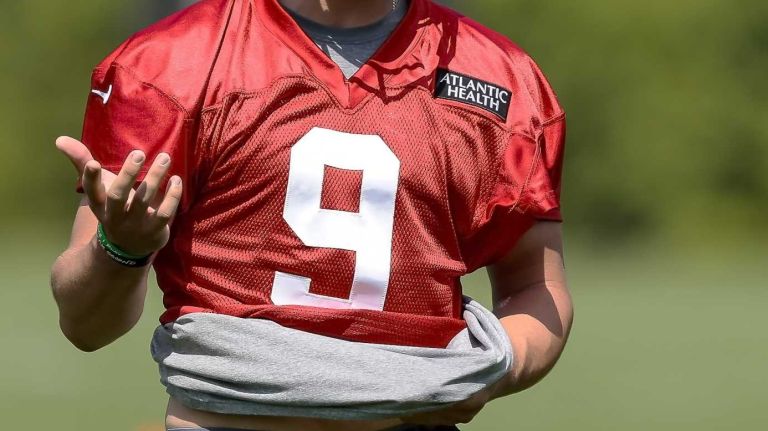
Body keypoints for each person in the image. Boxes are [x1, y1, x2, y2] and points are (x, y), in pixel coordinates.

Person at [51, 0, 574, 430]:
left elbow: (536, 285)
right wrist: (121, 249)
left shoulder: (501, 79)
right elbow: (86, 326)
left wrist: (491, 369)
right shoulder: (168, 64)